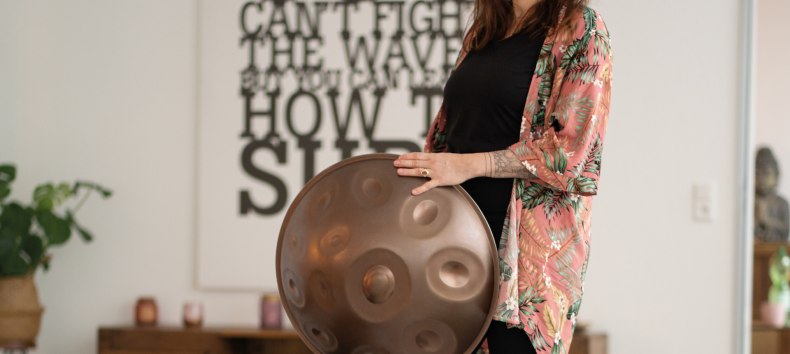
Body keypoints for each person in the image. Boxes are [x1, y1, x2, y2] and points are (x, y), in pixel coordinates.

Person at [393, 0, 613, 352]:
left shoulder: (580, 27)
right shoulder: (484, 31)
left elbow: (570, 154)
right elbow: (450, 135)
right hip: (456, 242)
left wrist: (468, 165)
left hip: (527, 260)